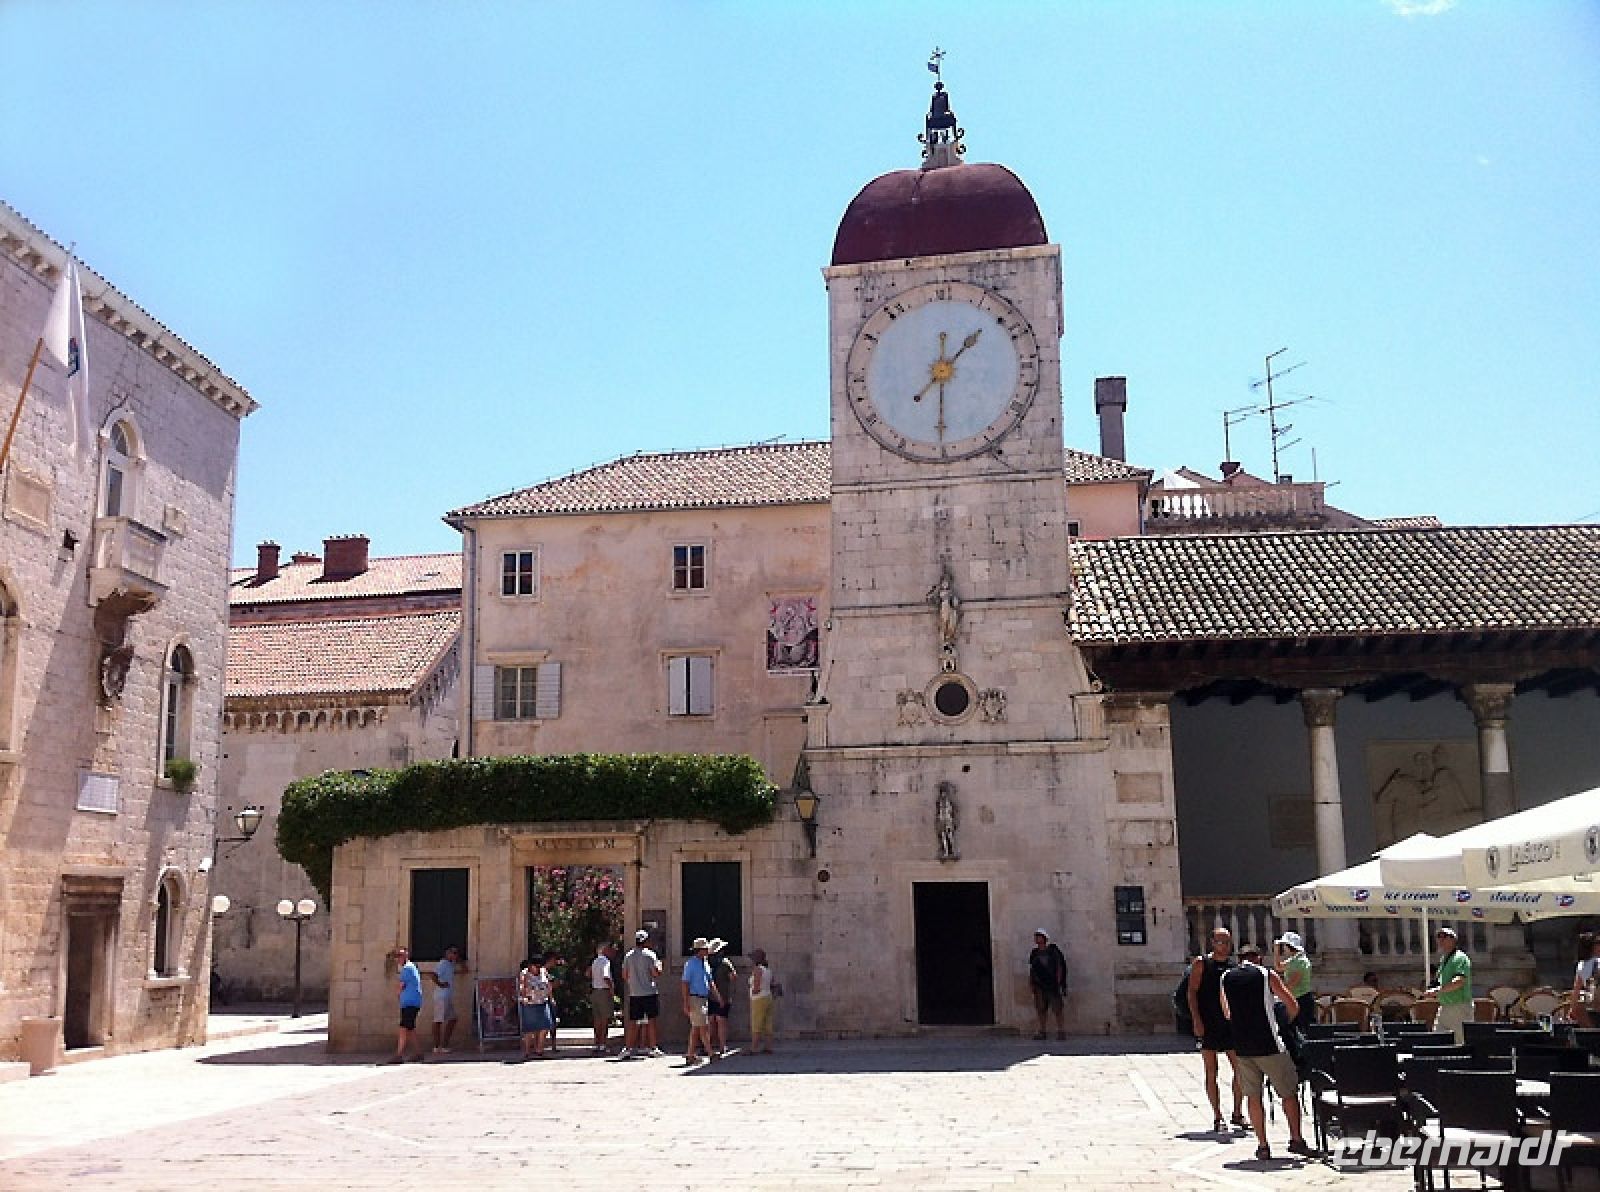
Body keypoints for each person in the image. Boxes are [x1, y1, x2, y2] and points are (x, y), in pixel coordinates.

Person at [1220, 943, 1317, 1162]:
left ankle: (1263, 1145)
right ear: (1259, 958)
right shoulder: (1266, 974)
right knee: (1288, 1092)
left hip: (1243, 1046)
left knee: (1253, 1096)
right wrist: (1283, 1023)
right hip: (1270, 1043)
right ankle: (1296, 1139)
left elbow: (1227, 1012)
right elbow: (1292, 1004)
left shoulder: (1226, 977)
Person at [1186, 927, 1246, 1133]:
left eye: (1227, 942)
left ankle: (1237, 1112)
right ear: (1212, 942)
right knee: (1211, 1071)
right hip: (1208, 1022)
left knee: (1240, 1069)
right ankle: (1217, 1115)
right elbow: (1192, 993)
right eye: (1219, 942)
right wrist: (1196, 1020)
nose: (1223, 946)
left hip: (1231, 1024)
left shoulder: (1233, 966)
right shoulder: (1202, 964)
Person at [1425, 926, 1473, 1044]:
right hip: (1445, 1006)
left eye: (1444, 936)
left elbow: (1459, 981)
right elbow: (1441, 981)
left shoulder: (1460, 958)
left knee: (1460, 1042)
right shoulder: (1444, 959)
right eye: (1438, 937)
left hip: (1459, 1006)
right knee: (1437, 1039)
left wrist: (1437, 990)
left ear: (1453, 940)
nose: (1440, 940)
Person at [621, 929, 664, 1058]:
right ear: (646, 941)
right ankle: (653, 1047)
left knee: (633, 1022)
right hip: (649, 992)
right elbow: (655, 973)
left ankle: (628, 1048)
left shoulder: (628, 956)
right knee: (652, 1020)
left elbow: (624, 975)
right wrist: (660, 966)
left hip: (635, 993)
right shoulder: (650, 955)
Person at [681, 936, 719, 1066]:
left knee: (696, 1028)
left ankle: (690, 1054)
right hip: (695, 998)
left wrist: (717, 996)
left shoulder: (705, 963)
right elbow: (685, 983)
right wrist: (686, 1002)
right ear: (700, 950)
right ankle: (710, 1053)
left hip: (703, 998)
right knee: (704, 1027)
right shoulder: (690, 964)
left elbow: (710, 981)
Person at [1028, 929, 1068, 1041]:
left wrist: (1058, 982)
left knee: (1057, 1008)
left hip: (1052, 984)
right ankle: (1042, 1030)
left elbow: (1059, 966)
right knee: (1041, 1008)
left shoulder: (1052, 951)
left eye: (1039, 936)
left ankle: (1061, 1031)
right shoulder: (1034, 953)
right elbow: (1032, 969)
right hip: (1039, 985)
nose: (1037, 939)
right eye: (1036, 936)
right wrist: (1031, 983)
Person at [389, 946, 424, 1063]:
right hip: (412, 1002)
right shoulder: (411, 967)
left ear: (406, 956)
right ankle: (418, 1053)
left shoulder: (407, 969)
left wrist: (398, 995)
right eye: (397, 956)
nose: (398, 958)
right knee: (410, 1028)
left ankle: (398, 1055)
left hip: (410, 1002)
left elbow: (401, 985)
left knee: (403, 1028)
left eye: (400, 955)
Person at [517, 954, 555, 1060]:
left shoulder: (543, 971)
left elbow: (548, 985)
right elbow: (522, 986)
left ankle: (539, 1049)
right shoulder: (524, 973)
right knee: (529, 1028)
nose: (538, 968)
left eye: (540, 966)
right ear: (531, 965)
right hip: (530, 1003)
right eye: (536, 966)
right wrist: (524, 996)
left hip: (543, 1001)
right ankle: (527, 1051)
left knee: (546, 1025)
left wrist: (551, 997)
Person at [430, 944, 467, 1054]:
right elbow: (433, 975)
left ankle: (444, 1045)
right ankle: (437, 1046)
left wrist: (460, 961)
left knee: (452, 1019)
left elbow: (465, 970)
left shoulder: (451, 964)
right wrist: (440, 984)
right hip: (441, 996)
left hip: (448, 996)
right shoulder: (443, 963)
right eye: (453, 953)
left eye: (456, 953)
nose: (455, 955)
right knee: (438, 1020)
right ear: (447, 953)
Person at [1273, 932, 1315, 1026]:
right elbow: (1279, 967)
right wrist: (1276, 952)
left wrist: (1277, 991)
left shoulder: (1301, 962)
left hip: (1302, 999)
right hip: (1294, 998)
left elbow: (1292, 984)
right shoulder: (1293, 960)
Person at [706, 938, 737, 1056]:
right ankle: (722, 1046)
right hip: (723, 996)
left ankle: (708, 1045)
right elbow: (733, 976)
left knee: (709, 1021)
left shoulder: (706, 963)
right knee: (721, 1021)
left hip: (709, 996)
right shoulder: (725, 963)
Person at [748, 948, 776, 1054]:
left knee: (757, 1023)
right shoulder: (768, 970)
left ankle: (754, 1048)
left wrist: (753, 991)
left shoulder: (757, 970)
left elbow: (756, 985)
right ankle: (768, 1046)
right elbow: (772, 983)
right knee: (767, 1023)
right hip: (768, 997)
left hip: (758, 998)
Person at [589, 941, 616, 1054]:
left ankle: (597, 1042)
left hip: (595, 991)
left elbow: (588, 973)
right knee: (604, 1019)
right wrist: (612, 988)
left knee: (597, 1019)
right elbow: (606, 976)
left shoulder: (595, 961)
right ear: (604, 950)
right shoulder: (605, 961)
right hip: (603, 991)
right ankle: (603, 1044)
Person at [1570, 931, 1600, 1027]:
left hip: (1592, 1006)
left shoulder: (1583, 964)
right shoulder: (1590, 964)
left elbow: (1576, 989)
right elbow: (1577, 988)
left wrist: (1573, 1008)